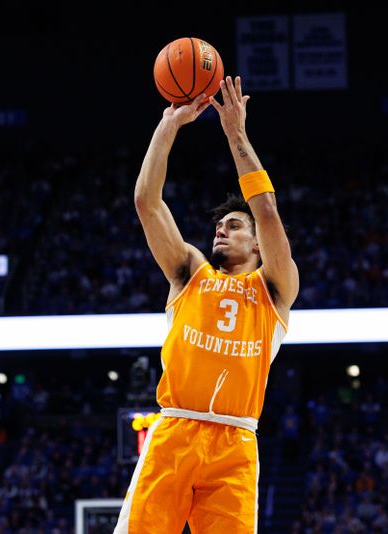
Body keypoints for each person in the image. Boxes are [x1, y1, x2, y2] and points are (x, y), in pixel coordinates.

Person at [115, 76, 299, 533]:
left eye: (234, 225)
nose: (221, 229)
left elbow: (269, 212)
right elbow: (146, 201)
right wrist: (169, 126)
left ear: (257, 245)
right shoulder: (190, 271)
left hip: (235, 441)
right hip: (174, 430)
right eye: (220, 225)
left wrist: (236, 133)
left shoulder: (274, 287)